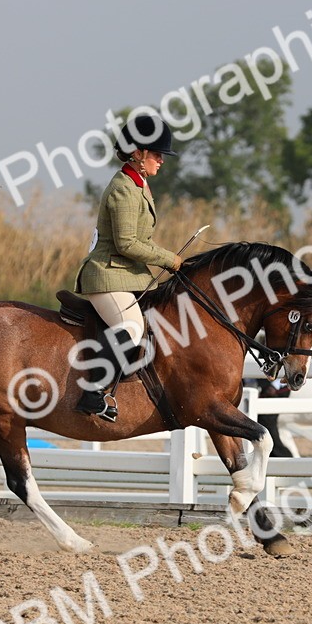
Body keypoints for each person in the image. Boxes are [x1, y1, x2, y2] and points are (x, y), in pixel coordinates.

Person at [73, 115, 182, 422]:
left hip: (127, 275)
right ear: (137, 153)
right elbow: (127, 244)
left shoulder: (139, 185)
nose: (161, 160)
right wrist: (170, 260)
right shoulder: (123, 188)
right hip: (106, 274)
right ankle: (92, 392)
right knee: (131, 328)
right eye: (156, 153)